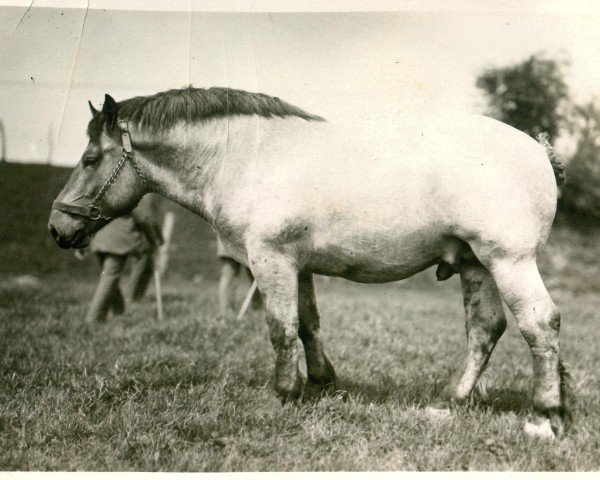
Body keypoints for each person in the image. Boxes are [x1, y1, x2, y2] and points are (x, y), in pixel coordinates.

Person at [83, 194, 163, 323]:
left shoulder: (103, 191)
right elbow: (144, 218)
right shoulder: (130, 192)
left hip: (99, 240)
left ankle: (119, 311)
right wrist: (155, 238)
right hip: (117, 241)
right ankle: (94, 318)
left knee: (109, 276)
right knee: (110, 276)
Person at [217, 235, 263, 316]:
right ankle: (226, 312)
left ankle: (258, 309)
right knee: (230, 271)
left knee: (256, 273)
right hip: (230, 234)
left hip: (251, 235)